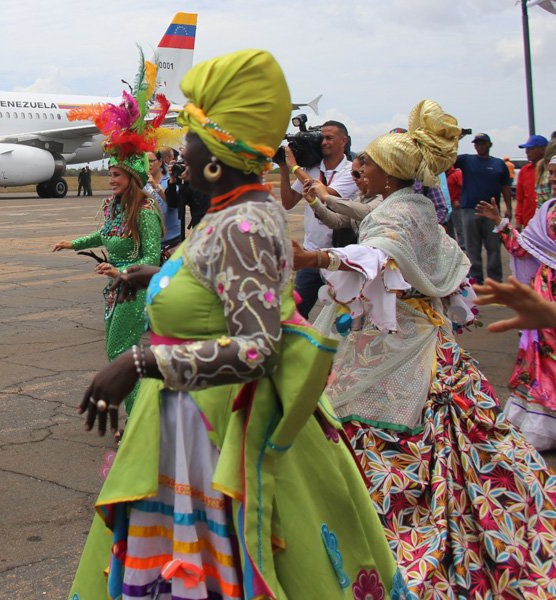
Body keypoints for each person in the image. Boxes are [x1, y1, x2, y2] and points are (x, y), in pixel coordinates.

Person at [69, 49, 402, 600]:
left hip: (214, 436)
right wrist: (156, 275)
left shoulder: (243, 222)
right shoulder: (232, 211)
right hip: (192, 420)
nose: (182, 150)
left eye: (193, 137)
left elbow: (256, 350)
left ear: (219, 156)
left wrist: (140, 361)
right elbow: (214, 275)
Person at [297, 100, 556, 597]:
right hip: (416, 332)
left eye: (366, 163)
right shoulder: (406, 204)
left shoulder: (399, 213)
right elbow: (359, 215)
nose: (358, 168)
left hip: (402, 343)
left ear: (389, 173)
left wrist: (315, 255)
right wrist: (317, 197)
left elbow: (382, 251)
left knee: (372, 420)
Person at [55, 73, 165, 415]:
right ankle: (140, 415)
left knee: (122, 355)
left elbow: (151, 256)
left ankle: (138, 421)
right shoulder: (114, 208)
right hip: (115, 291)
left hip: (133, 293)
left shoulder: (145, 211)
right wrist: (72, 243)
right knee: (116, 353)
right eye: (111, 173)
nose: (110, 179)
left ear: (132, 178)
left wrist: (120, 271)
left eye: (116, 175)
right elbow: (103, 236)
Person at [474, 155, 556, 450]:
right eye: (552, 174)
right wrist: (500, 223)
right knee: (539, 355)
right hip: (543, 293)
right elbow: (523, 248)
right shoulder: (547, 210)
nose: (554, 180)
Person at [279, 121, 357, 317]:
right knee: (295, 312)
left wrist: (295, 166)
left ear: (343, 141)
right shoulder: (311, 170)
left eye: (330, 138)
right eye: (322, 138)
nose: (324, 142)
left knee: (346, 315)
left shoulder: (350, 171)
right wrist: (283, 168)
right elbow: (288, 203)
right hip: (311, 253)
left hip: (340, 257)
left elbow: (324, 193)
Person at [455, 133, 512, 282]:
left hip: (491, 213)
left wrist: (509, 207)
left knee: (493, 247)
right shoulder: (467, 160)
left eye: (482, 143)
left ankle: (495, 280)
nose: (479, 146)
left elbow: (506, 185)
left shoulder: (499, 164)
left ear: (489, 145)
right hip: (470, 210)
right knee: (472, 247)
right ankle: (476, 279)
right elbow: (449, 158)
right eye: (477, 143)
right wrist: (455, 139)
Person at [304, 153, 381, 232]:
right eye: (352, 173)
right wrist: (314, 202)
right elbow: (337, 221)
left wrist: (326, 196)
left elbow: (366, 212)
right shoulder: (360, 198)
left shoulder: (384, 196)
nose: (353, 178)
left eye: (356, 174)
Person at [145, 150, 182, 254]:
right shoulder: (143, 183)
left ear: (160, 162)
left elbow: (173, 203)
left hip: (172, 241)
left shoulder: (171, 180)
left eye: (151, 161)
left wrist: (155, 186)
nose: (148, 165)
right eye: (145, 161)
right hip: (152, 242)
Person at [514, 135, 548, 228]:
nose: (526, 152)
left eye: (531, 149)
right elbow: (520, 199)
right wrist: (518, 220)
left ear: (542, 150)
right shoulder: (524, 171)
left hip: (548, 222)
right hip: (529, 223)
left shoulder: (551, 170)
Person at [445, 164, 465, 249]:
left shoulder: (456, 174)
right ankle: (453, 246)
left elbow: (464, 187)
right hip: (448, 205)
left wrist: (460, 200)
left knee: (459, 227)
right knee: (449, 228)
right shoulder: (445, 176)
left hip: (456, 205)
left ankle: (463, 245)